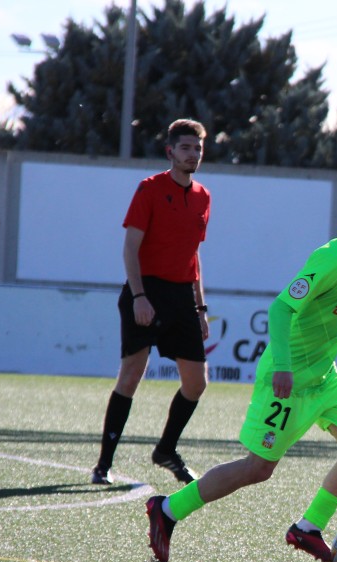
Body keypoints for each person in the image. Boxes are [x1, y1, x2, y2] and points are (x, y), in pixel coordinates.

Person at [144, 176, 337, 562]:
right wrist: (285, 368)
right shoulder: (332, 258)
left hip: (324, 378)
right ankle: (168, 509)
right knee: (257, 469)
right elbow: (280, 308)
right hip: (287, 379)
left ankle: (308, 528)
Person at [91, 118, 212, 486]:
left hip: (181, 296)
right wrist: (140, 296)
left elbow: (194, 256)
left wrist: (201, 307)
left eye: (198, 149)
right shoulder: (149, 189)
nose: (193, 154)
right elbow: (130, 247)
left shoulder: (204, 197)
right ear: (170, 151)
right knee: (131, 375)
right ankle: (103, 464)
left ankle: (165, 450)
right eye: (186, 147)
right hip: (146, 291)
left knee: (196, 383)